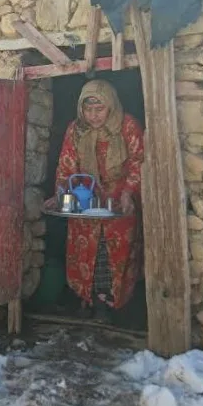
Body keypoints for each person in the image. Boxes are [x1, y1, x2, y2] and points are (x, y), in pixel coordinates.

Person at [45, 79, 145, 322]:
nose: (93, 116)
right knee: (85, 252)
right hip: (86, 200)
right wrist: (60, 193)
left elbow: (138, 162)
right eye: (88, 110)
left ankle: (113, 304)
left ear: (110, 106)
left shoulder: (128, 126)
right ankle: (87, 300)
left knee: (114, 254)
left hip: (119, 203)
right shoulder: (76, 130)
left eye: (99, 109)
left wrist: (128, 192)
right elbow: (66, 165)